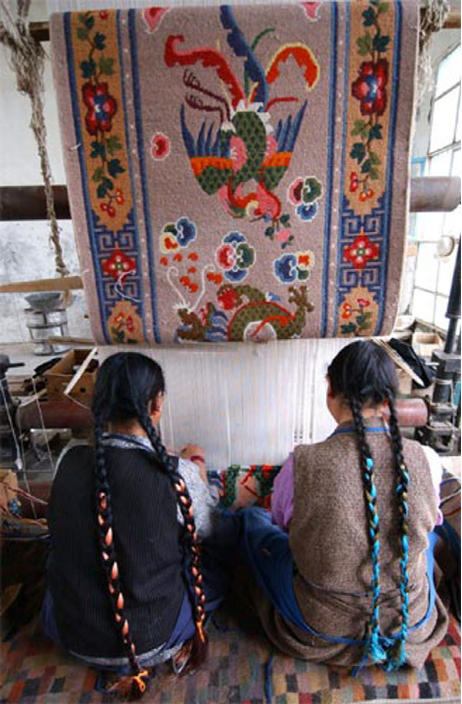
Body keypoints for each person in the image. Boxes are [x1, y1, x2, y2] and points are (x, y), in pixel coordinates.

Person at [240, 340, 448, 671]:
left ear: (330, 390)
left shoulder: (302, 464)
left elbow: (281, 524)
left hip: (322, 625)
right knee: (430, 541)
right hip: (407, 623)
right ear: (388, 399)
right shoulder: (426, 459)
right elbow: (431, 520)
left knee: (252, 522)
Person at [43, 352, 238, 698]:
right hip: (153, 639)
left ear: (99, 403)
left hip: (71, 634)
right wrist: (197, 471)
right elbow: (208, 532)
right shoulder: (176, 474)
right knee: (223, 543)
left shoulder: (68, 461)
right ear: (156, 405)